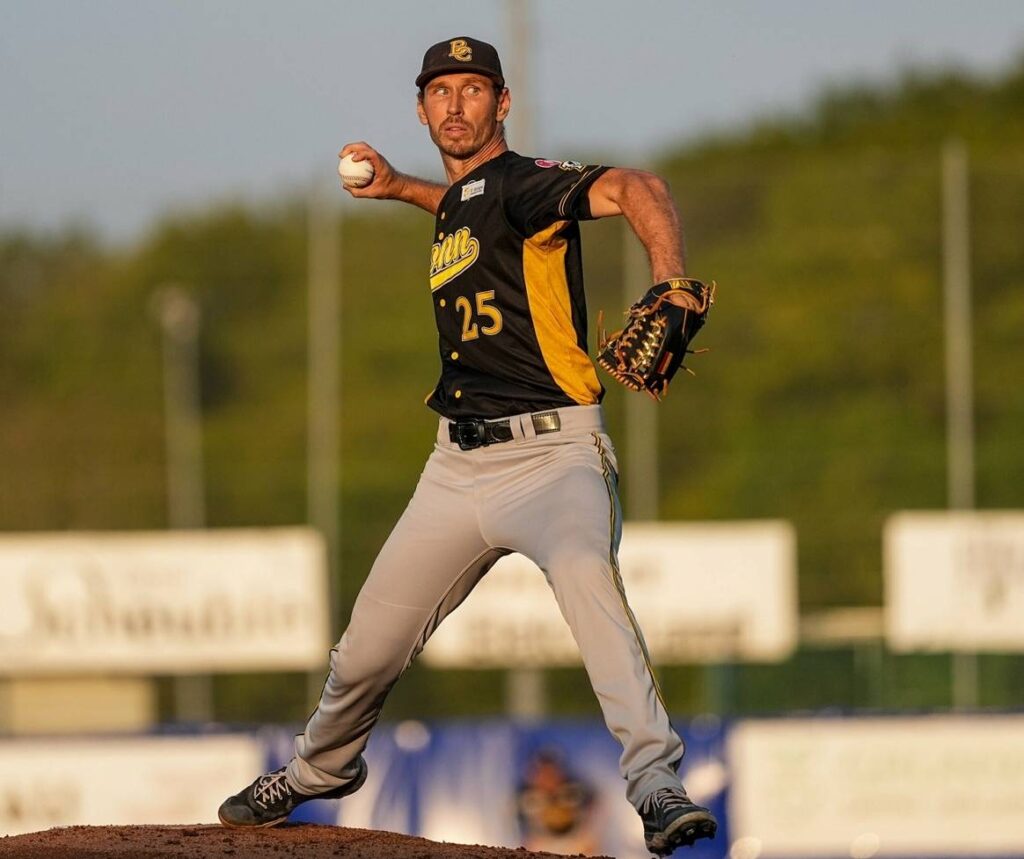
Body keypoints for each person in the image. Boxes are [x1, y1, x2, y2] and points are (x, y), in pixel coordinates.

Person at [218, 36, 717, 855]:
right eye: (440, 91)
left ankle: (656, 781)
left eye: (473, 89)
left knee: (592, 588)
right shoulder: (463, 200)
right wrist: (400, 187)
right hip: (454, 468)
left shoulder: (523, 184)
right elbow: (462, 207)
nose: (455, 105)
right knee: (364, 650)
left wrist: (667, 277)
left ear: (503, 103)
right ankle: (320, 767)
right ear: (421, 108)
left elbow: (639, 186)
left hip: (553, 459)